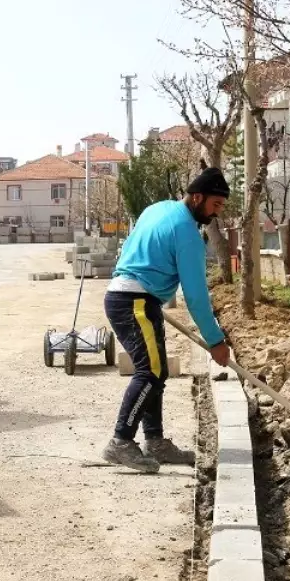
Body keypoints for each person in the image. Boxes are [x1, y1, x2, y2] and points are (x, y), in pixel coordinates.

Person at [101, 167, 233, 474]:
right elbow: (197, 298)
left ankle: (156, 442)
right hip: (134, 300)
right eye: (215, 205)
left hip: (134, 296)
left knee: (156, 369)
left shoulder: (158, 208)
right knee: (151, 372)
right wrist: (215, 341)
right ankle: (121, 441)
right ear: (197, 197)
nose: (216, 214)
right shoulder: (187, 234)